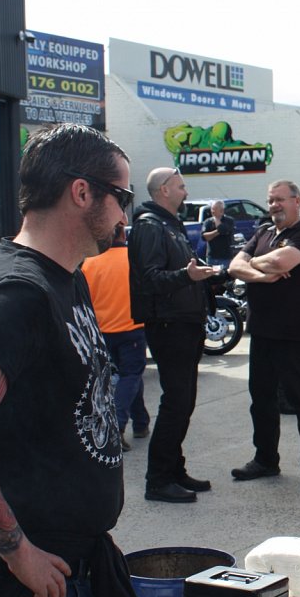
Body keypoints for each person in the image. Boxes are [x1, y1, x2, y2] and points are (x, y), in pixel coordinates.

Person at [0, 123, 137, 597]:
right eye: (121, 197)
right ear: (82, 192)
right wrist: (18, 551)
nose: (126, 214)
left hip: (70, 574)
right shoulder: (20, 291)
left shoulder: (68, 275)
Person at [229, 180, 300, 493]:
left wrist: (254, 263)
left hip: (293, 332)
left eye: (279, 200)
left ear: (296, 201)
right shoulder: (263, 232)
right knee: (261, 400)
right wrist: (263, 275)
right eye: (270, 200)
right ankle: (265, 460)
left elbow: (281, 262)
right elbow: (234, 266)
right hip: (261, 331)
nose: (273, 205)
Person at [128, 166, 219, 503]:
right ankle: (158, 480)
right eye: (181, 187)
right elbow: (150, 279)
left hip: (185, 322)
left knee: (183, 402)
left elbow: (181, 274)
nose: (186, 192)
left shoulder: (170, 224)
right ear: (164, 189)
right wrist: (186, 275)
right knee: (176, 402)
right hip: (168, 324)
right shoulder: (149, 226)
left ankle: (174, 469)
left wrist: (203, 279)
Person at [82, 225, 152, 453]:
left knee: (129, 376)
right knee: (130, 375)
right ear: (123, 234)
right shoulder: (134, 260)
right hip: (131, 328)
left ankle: (141, 422)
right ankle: (118, 425)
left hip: (102, 332)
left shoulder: (90, 262)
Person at [201, 199, 235, 267]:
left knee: (225, 276)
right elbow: (204, 237)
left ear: (222, 210)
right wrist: (218, 232)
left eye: (215, 209)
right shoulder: (207, 222)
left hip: (225, 257)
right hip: (212, 257)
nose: (212, 211)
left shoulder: (229, 220)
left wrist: (217, 220)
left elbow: (224, 230)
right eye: (212, 208)